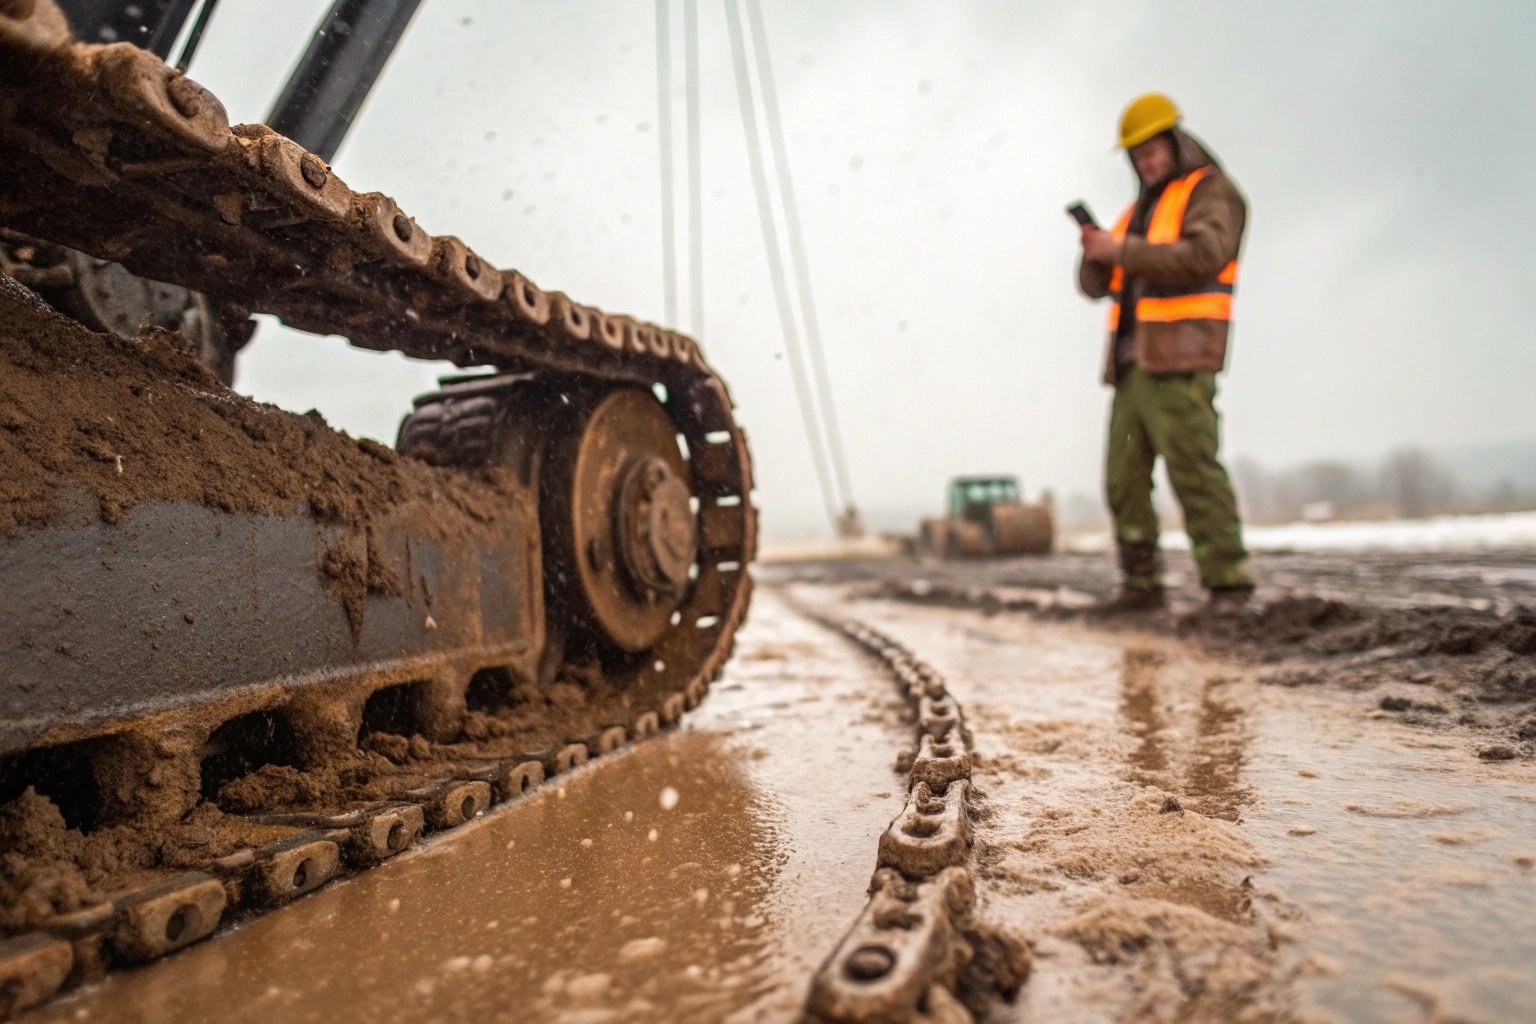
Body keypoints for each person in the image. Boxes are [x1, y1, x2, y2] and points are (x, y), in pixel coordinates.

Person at [1076, 93, 1253, 613]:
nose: (1146, 162)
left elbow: (1204, 255)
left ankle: (1229, 584)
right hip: (1131, 367)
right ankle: (1141, 585)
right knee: (1123, 481)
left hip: (1181, 360)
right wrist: (1094, 253)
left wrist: (1122, 251)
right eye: (1137, 156)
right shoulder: (1138, 211)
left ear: (1175, 141)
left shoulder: (1211, 192)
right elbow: (1096, 285)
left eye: (1152, 151)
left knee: (1194, 471)